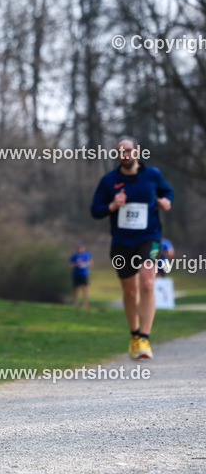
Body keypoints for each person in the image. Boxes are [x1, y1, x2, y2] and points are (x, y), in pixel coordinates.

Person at [90, 136, 174, 359]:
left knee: (147, 282)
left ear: (137, 152)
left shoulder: (152, 175)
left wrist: (166, 201)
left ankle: (145, 338)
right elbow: (95, 210)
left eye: (128, 150)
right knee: (130, 291)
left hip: (150, 238)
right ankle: (135, 335)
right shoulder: (109, 180)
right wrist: (112, 205)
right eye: (120, 151)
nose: (124, 155)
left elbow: (167, 192)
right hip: (122, 242)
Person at [69, 243, 91, 309]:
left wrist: (87, 264)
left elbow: (90, 263)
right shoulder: (74, 256)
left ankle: (85, 303)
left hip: (84, 274)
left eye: (82, 248)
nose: (80, 249)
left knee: (85, 289)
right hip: (76, 274)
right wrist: (76, 264)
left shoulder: (87, 255)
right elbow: (71, 265)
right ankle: (75, 302)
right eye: (79, 248)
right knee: (76, 289)